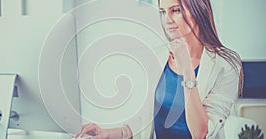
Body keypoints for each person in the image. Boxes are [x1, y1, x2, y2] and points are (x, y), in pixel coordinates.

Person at [75, 0, 243, 138]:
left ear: (198, 9)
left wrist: (186, 68)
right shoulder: (159, 55)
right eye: (163, 12)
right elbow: (146, 118)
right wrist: (108, 133)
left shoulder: (225, 64)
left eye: (175, 10)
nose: (167, 19)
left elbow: (201, 132)